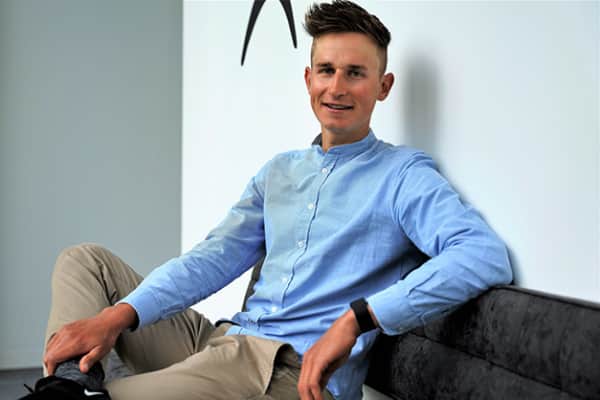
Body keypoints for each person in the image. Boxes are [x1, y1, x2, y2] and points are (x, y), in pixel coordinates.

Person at [20, 1, 512, 399]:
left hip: (286, 372)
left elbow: (482, 255)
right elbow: (211, 260)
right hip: (223, 342)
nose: (337, 87)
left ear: (383, 87)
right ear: (308, 79)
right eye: (326, 70)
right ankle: (69, 384)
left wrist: (358, 318)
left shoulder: (404, 175)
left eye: (355, 73)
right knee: (85, 263)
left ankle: (65, 393)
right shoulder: (280, 172)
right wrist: (116, 317)